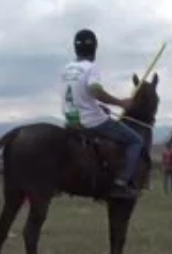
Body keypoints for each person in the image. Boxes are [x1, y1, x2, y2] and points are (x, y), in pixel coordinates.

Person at [60, 28, 144, 198]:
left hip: (70, 120)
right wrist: (121, 102)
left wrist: (98, 106)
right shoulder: (91, 68)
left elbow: (78, 94)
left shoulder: (67, 69)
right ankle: (121, 182)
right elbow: (95, 90)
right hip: (92, 122)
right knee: (136, 140)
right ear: (94, 49)